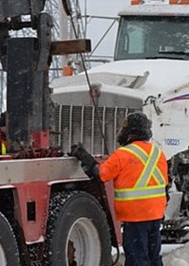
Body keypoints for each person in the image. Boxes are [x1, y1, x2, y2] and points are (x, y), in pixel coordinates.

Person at [70, 112, 168, 266]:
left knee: (138, 259)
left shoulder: (123, 154)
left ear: (130, 132)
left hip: (135, 217)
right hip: (155, 215)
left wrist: (82, 155)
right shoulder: (158, 153)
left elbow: (100, 174)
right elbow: (164, 185)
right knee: (154, 258)